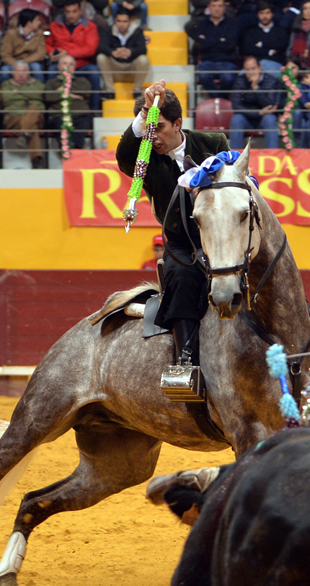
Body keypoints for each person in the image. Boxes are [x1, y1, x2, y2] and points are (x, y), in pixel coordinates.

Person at [116, 80, 229, 372]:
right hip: (183, 246)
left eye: (160, 127)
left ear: (178, 123)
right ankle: (186, 359)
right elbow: (123, 158)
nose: (153, 137)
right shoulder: (145, 157)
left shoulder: (213, 143)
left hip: (223, 237)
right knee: (181, 275)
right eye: (149, 130)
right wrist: (145, 113)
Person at [46, 0, 101, 109]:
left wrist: (66, 52)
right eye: (68, 12)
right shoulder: (54, 25)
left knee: (94, 71)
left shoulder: (90, 26)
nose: (71, 15)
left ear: (80, 11)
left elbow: (90, 49)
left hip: (82, 65)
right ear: (64, 12)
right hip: (61, 65)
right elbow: (48, 44)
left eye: (74, 11)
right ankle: (50, 109)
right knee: (51, 70)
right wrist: (51, 52)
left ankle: (94, 110)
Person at [229, 54, 280, 148]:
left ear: (260, 68)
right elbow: (236, 106)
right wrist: (259, 112)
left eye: (253, 68)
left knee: (270, 118)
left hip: (264, 119)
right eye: (247, 70)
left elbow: (271, 105)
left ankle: (273, 154)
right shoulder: (240, 81)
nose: (251, 72)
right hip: (247, 118)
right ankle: (234, 158)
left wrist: (256, 88)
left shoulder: (271, 80)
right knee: (236, 119)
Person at [1, 59, 45, 168]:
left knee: (34, 108)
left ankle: (24, 135)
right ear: (12, 73)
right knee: (32, 126)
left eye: (24, 72)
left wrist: (18, 93)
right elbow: (6, 98)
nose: (20, 75)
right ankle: (36, 160)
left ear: (29, 73)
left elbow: (41, 95)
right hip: (13, 119)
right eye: (17, 72)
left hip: (37, 117)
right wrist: (29, 94)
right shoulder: (6, 85)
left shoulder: (38, 84)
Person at [192, 0, 239, 99]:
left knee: (228, 78)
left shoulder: (232, 23)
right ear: (209, 7)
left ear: (224, 7)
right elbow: (200, 44)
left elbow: (229, 45)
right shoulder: (202, 24)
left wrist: (208, 40)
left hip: (227, 61)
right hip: (208, 61)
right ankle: (219, 100)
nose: (217, 9)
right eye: (214, 6)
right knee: (203, 76)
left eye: (220, 6)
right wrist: (220, 40)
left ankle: (219, 100)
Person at [44, 52, 92, 149]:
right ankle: (67, 153)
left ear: (75, 67)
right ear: (58, 66)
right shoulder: (51, 83)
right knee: (60, 127)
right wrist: (73, 95)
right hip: (59, 115)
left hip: (80, 115)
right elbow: (48, 97)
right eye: (65, 63)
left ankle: (76, 152)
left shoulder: (82, 81)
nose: (68, 66)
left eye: (71, 64)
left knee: (81, 126)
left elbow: (85, 92)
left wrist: (61, 92)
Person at [96, 10, 149, 98]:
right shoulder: (109, 30)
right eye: (119, 21)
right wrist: (113, 52)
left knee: (143, 59)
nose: (121, 24)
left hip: (132, 70)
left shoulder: (137, 31)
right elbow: (101, 47)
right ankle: (110, 91)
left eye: (125, 21)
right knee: (101, 57)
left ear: (130, 21)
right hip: (115, 69)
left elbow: (143, 49)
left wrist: (130, 52)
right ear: (115, 21)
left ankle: (136, 91)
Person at [241, 2, 289, 74]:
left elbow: (281, 45)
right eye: (261, 13)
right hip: (254, 65)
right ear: (257, 14)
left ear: (272, 14)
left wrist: (261, 44)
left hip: (274, 63)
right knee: (241, 76)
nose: (264, 16)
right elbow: (249, 49)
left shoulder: (280, 30)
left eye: (267, 13)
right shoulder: (251, 32)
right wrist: (270, 51)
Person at [1, 9, 46, 81]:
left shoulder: (39, 33)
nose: (39, 23)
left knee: (36, 67)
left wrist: (24, 62)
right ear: (29, 23)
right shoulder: (11, 34)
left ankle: (40, 91)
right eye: (37, 20)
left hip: (31, 62)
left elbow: (40, 53)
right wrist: (17, 65)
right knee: (5, 70)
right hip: (13, 63)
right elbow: (5, 55)